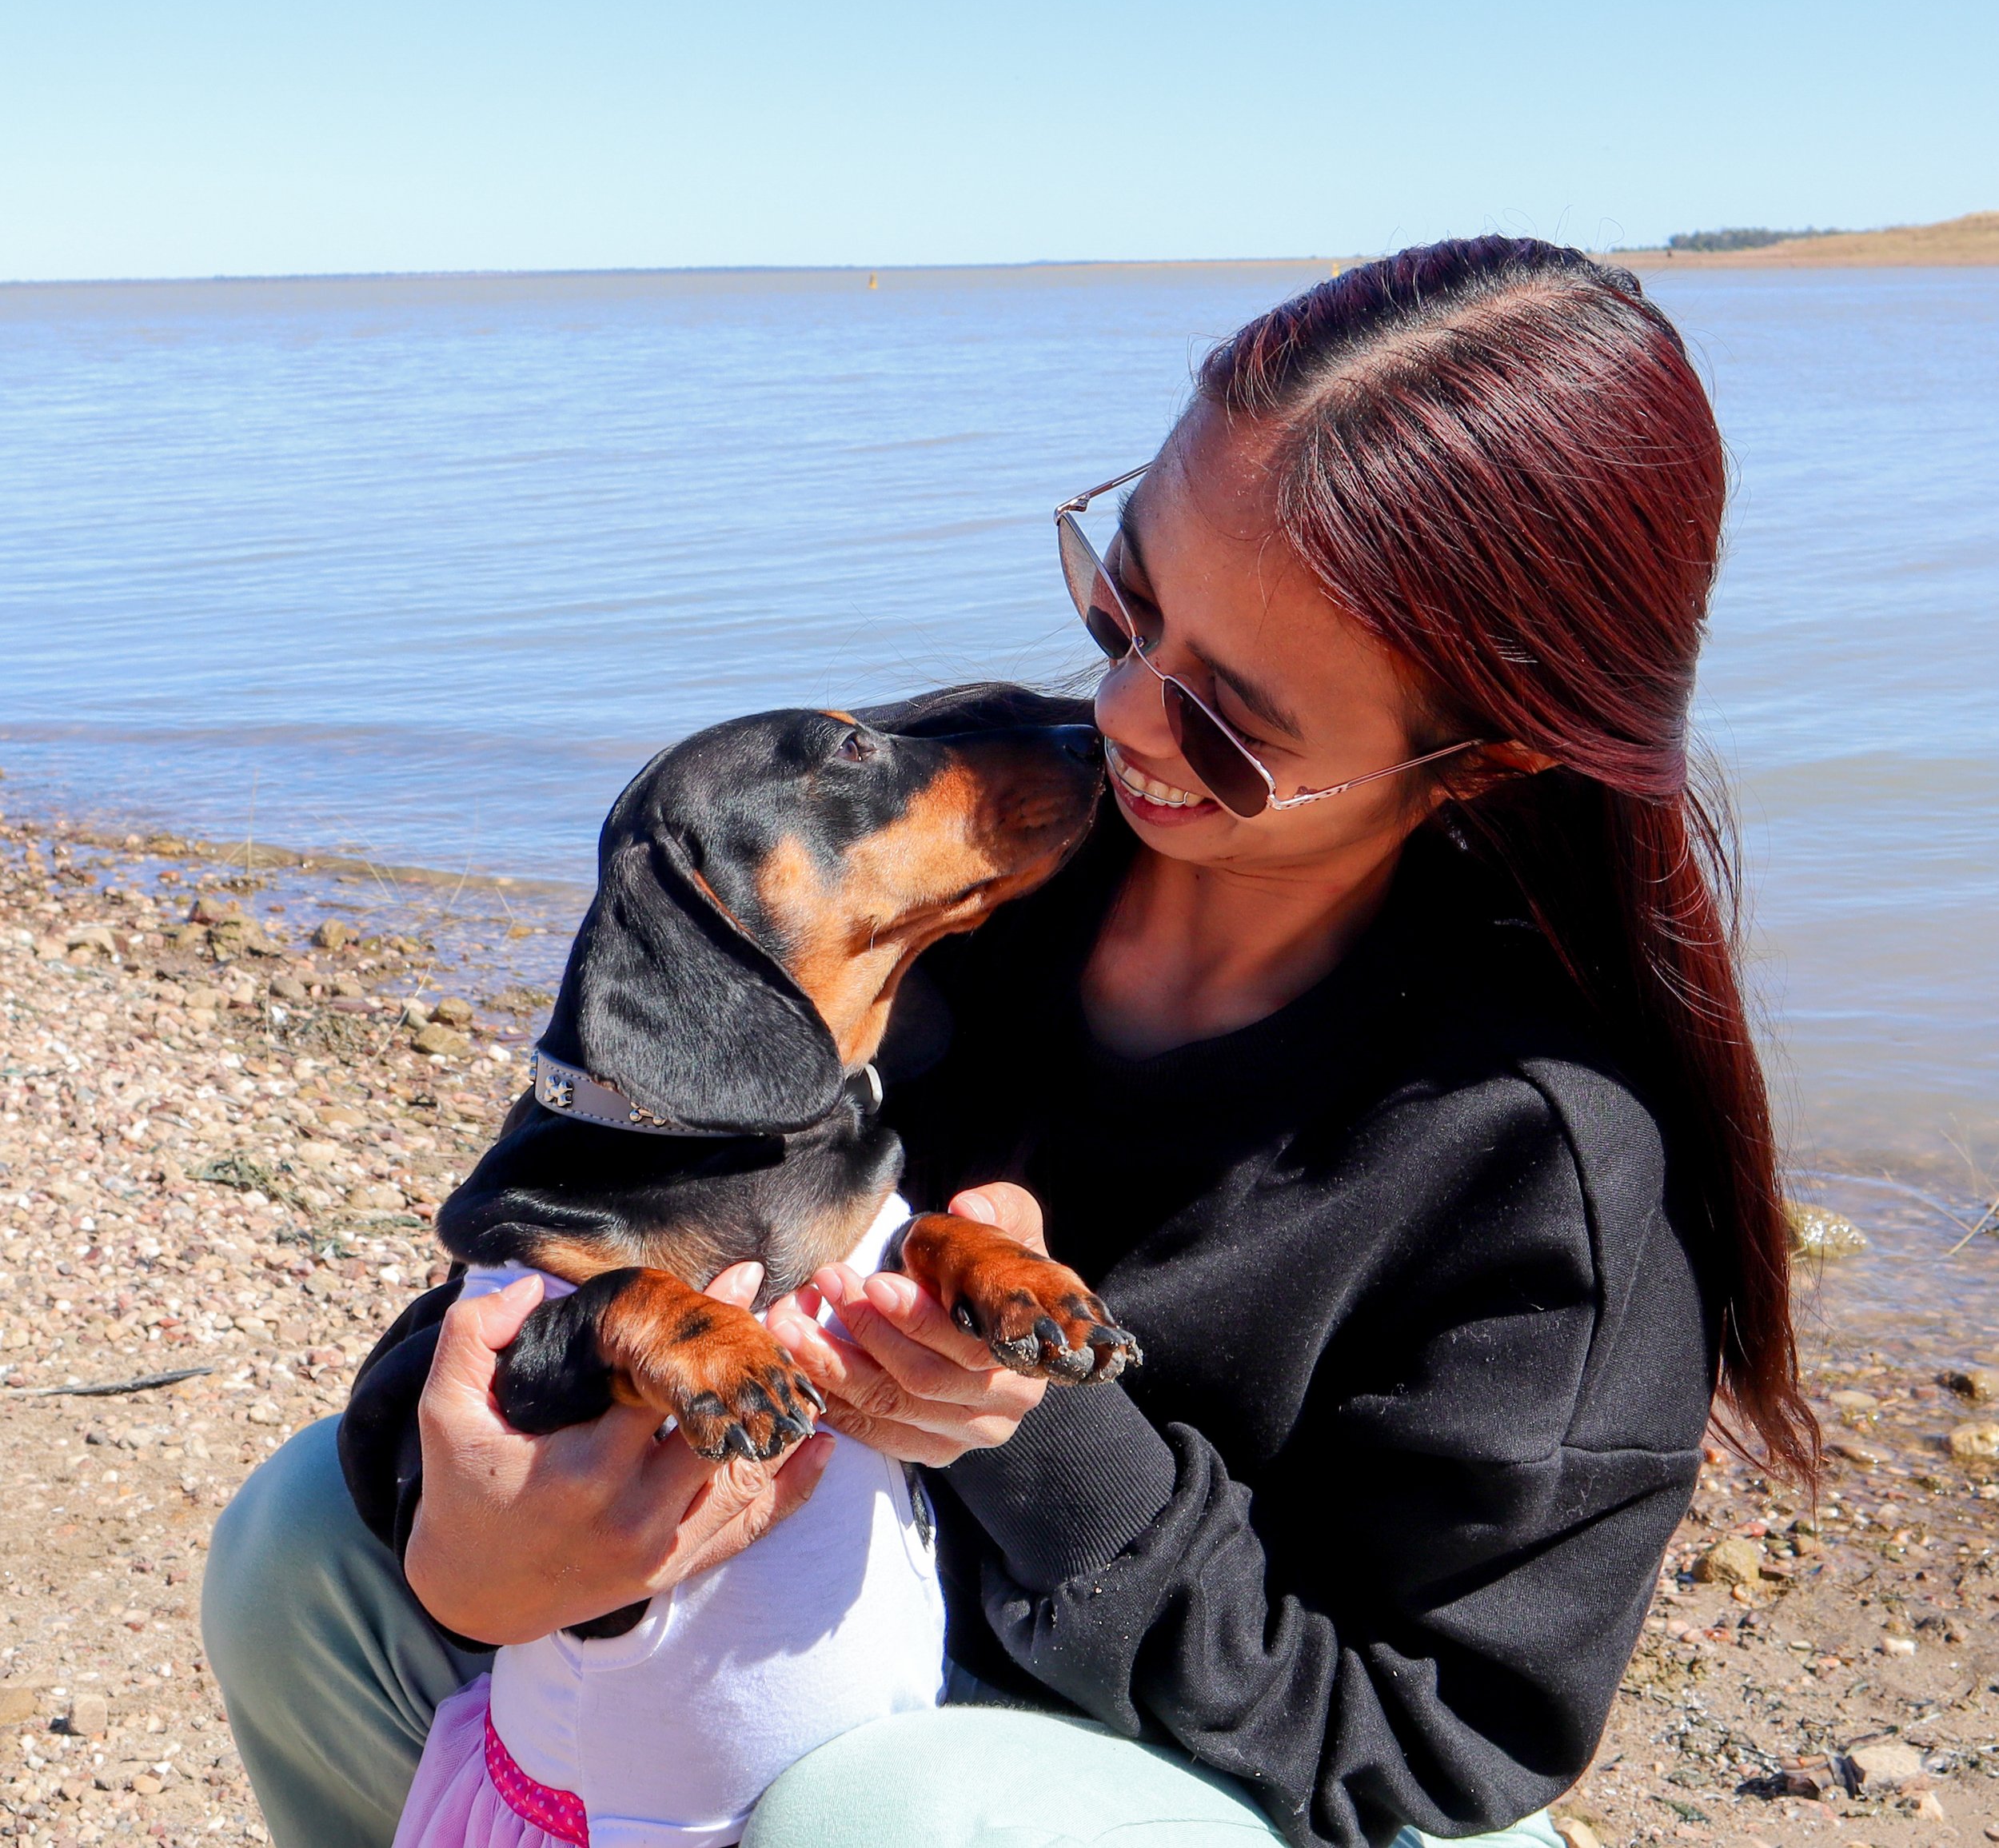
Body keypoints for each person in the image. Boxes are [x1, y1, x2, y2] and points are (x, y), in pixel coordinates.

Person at [202, 237, 1814, 1848]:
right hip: (856, 1669)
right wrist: (469, 1532)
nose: (1118, 716)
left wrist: (1038, 1437)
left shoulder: (1534, 1160)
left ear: (1484, 758)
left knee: (889, 1819)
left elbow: (1425, 1750)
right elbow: (561, 1222)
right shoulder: (974, 843)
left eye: (1231, 722)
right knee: (303, 1554)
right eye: (1124, 597)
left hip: (1235, 1796)